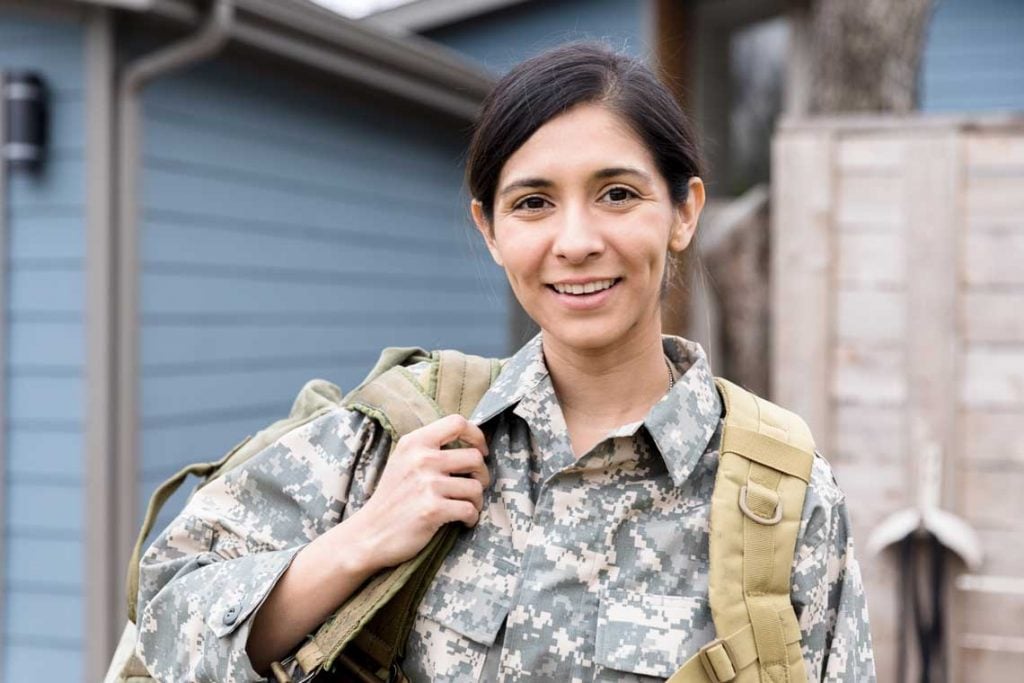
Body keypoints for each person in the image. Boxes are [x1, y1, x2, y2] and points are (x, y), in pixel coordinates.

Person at [134, 43, 875, 682]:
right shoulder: (401, 436)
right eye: (533, 203)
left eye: (617, 193)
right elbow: (166, 617)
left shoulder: (781, 494)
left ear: (684, 211)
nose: (576, 239)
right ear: (489, 229)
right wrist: (361, 540)